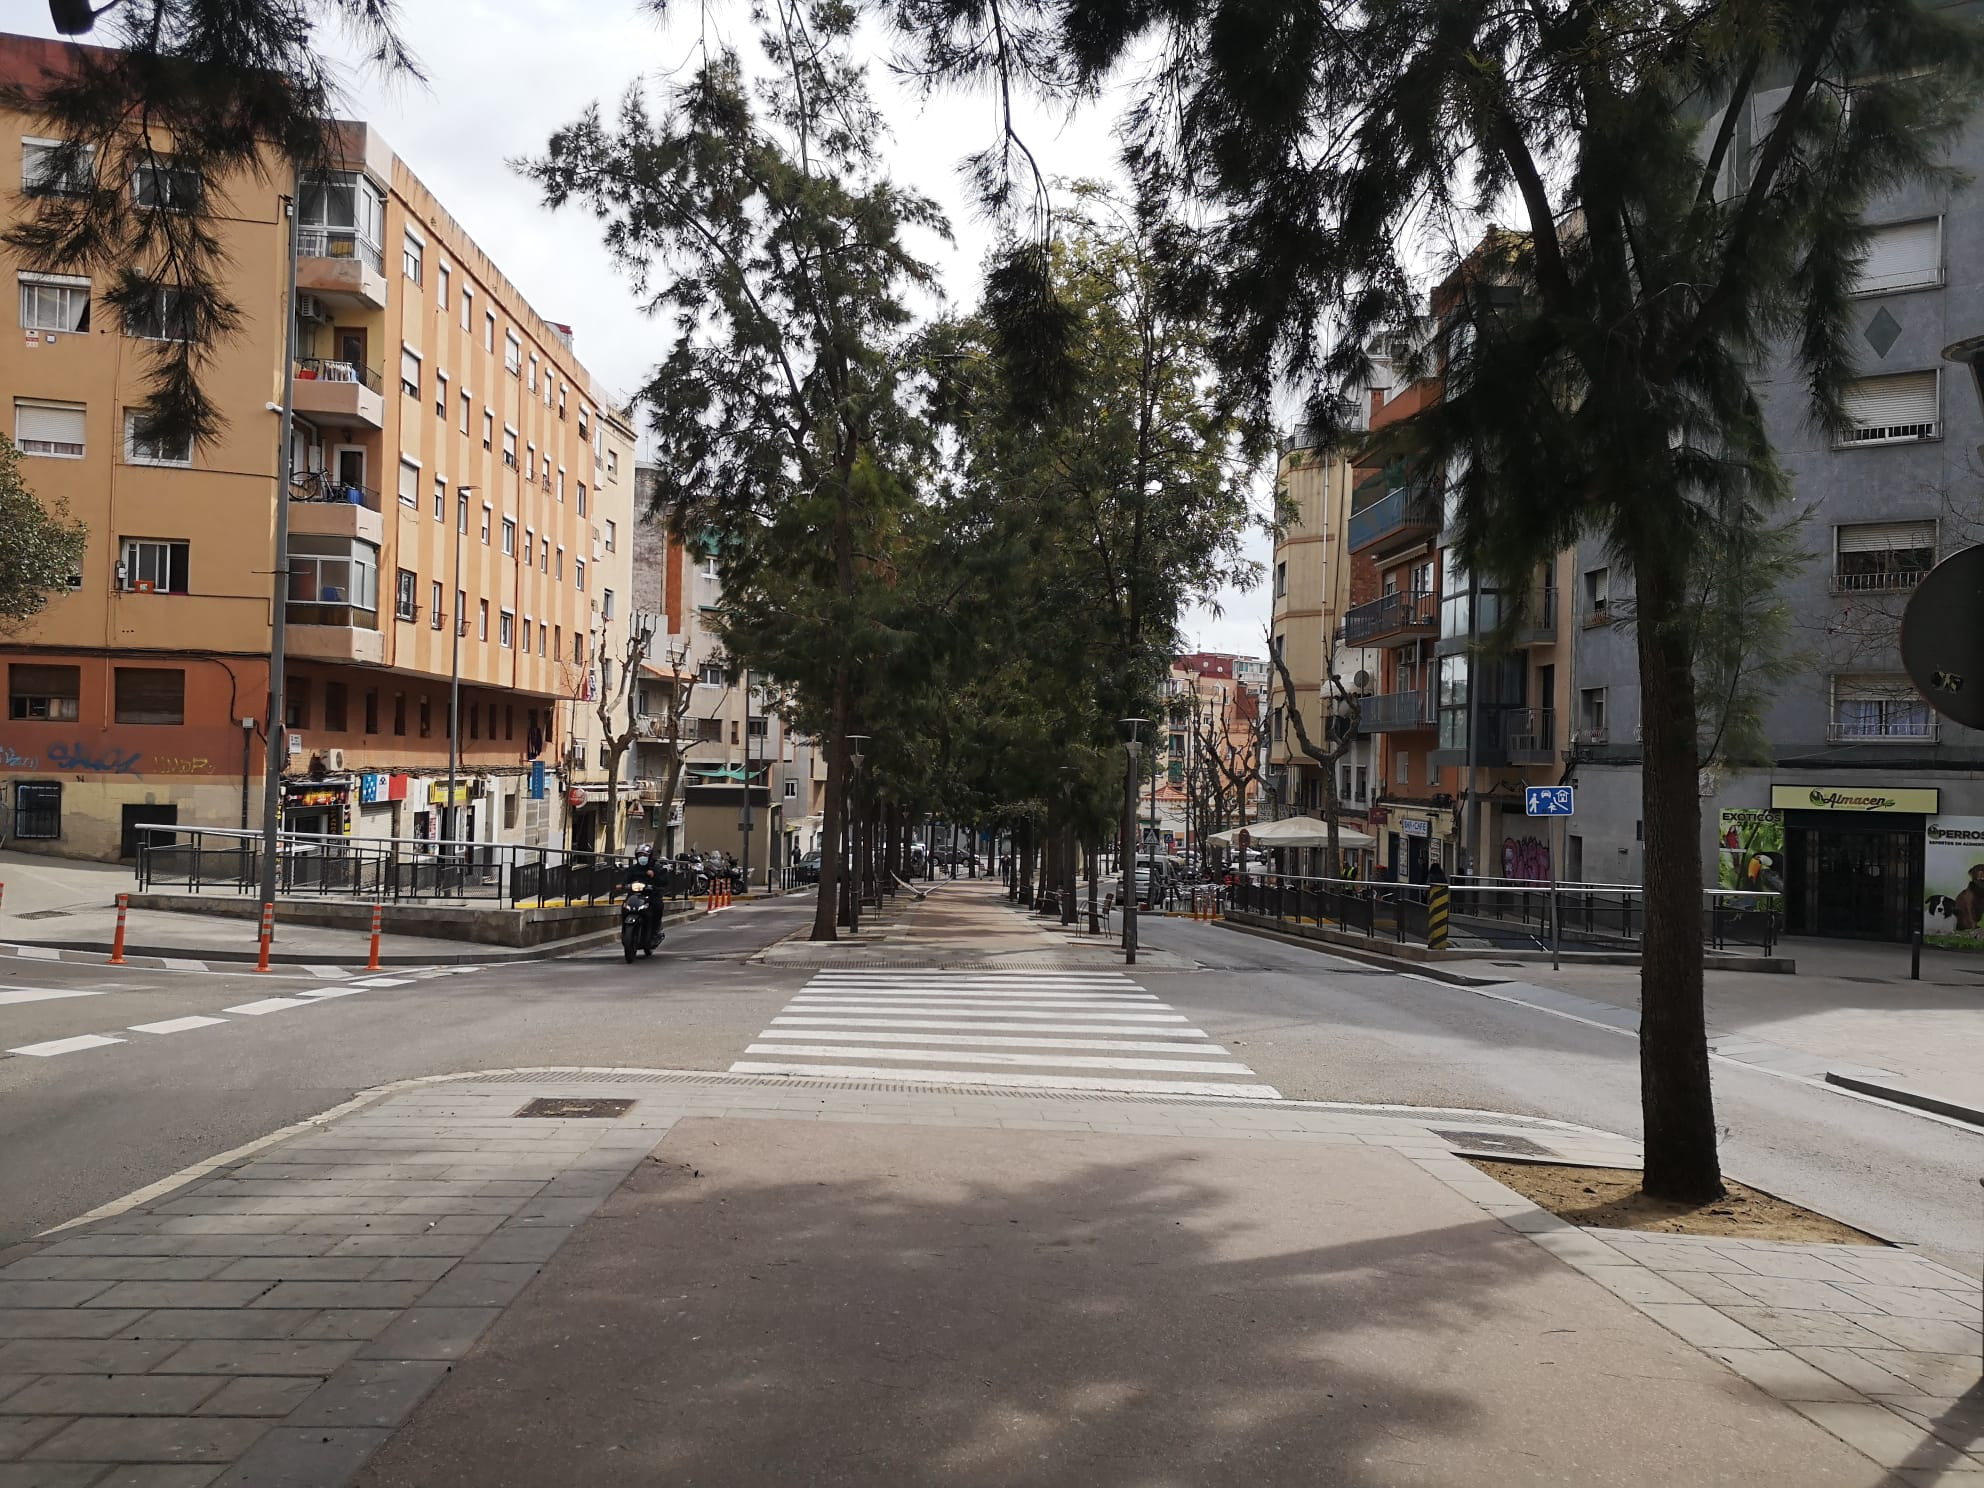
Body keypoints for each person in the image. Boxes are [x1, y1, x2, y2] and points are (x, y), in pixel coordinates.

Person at [620, 844, 663, 948]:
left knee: (658, 906)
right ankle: (625, 931)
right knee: (624, 907)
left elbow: (664, 880)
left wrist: (655, 880)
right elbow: (626, 879)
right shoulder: (633, 869)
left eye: (644, 855)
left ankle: (655, 933)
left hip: (651, 895)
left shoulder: (656, 867)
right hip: (634, 895)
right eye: (640, 855)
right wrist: (622, 885)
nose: (642, 857)